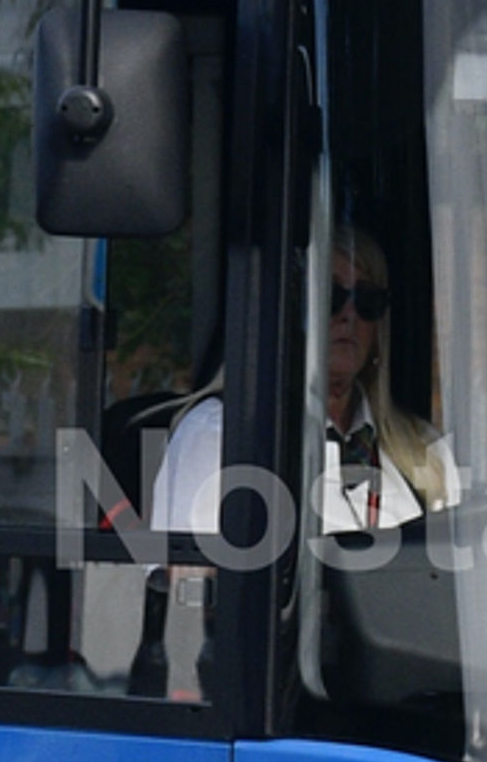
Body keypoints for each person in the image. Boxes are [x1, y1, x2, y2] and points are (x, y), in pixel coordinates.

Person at [149, 226, 446, 538]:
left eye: (368, 301)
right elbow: (189, 581)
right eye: (331, 296)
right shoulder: (223, 434)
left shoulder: (423, 449)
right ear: (291, 312)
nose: (350, 315)